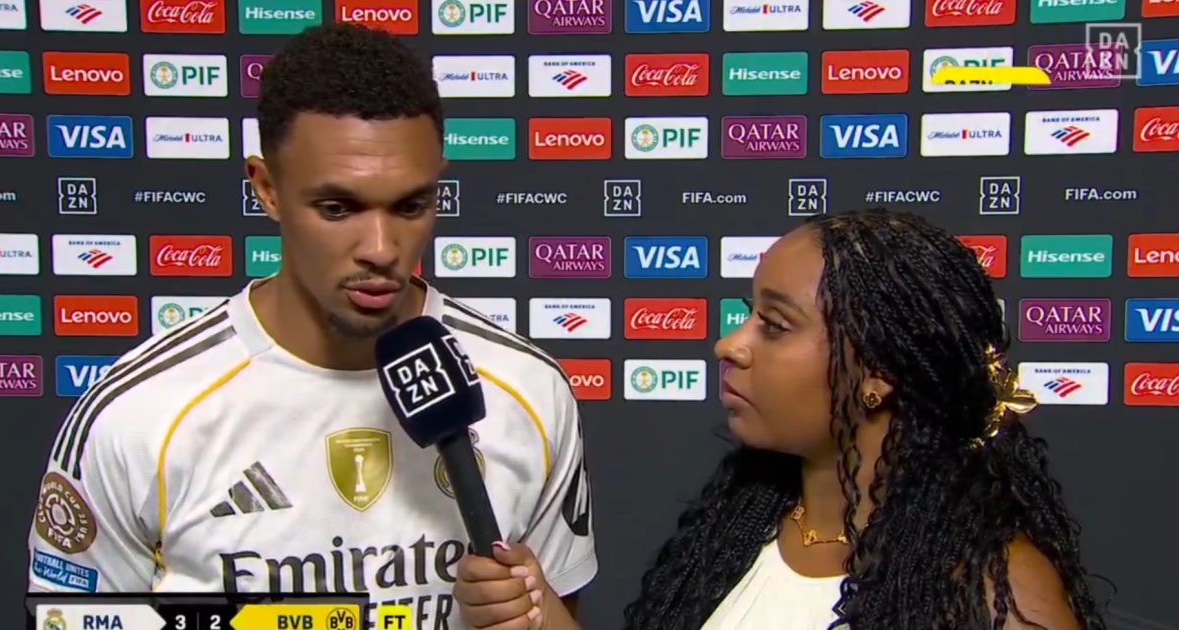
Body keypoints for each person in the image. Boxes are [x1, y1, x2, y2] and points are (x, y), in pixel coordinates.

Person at [26, 23, 596, 628]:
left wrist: (528, 613)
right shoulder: (139, 414)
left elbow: (562, 612)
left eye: (410, 206)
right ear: (267, 188)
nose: (381, 248)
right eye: (337, 208)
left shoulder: (527, 388)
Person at [453, 209, 1107, 630]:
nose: (729, 344)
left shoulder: (998, 597)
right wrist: (538, 613)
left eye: (774, 324)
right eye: (748, 315)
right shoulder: (742, 528)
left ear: (878, 371)